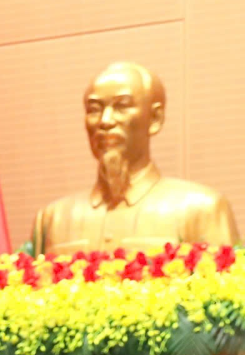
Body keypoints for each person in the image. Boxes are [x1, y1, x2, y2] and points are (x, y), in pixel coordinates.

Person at [33, 61, 239, 254]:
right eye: (94, 110)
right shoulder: (53, 219)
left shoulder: (202, 210)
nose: (105, 121)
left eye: (121, 106)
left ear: (155, 119)